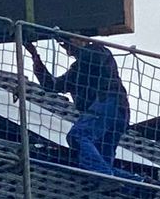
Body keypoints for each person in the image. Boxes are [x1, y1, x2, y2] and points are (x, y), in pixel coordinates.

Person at [28, 32, 142, 181]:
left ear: (79, 39)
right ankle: (140, 184)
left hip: (107, 104)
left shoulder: (98, 51)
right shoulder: (77, 70)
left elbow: (90, 58)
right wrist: (34, 55)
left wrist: (64, 37)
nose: (66, 49)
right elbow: (52, 85)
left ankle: (106, 178)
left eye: (67, 44)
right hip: (116, 112)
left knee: (79, 135)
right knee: (100, 162)